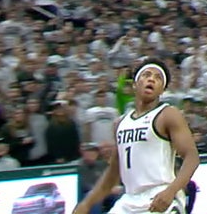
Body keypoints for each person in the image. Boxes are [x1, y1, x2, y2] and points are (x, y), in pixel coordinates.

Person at [72, 59, 200, 214]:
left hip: (160, 195)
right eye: (146, 75)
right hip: (130, 199)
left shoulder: (168, 114)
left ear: (162, 90)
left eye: (158, 77)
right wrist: (87, 203)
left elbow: (192, 156)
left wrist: (171, 190)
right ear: (135, 84)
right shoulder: (120, 123)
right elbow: (113, 172)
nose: (152, 79)